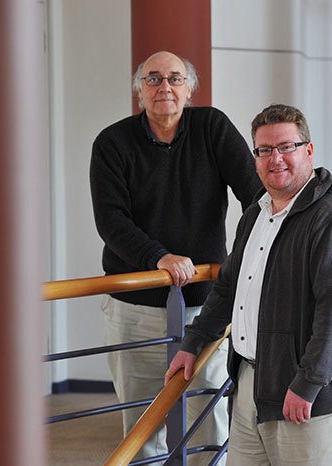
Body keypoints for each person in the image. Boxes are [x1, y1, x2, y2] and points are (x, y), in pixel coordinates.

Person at [166, 103, 332, 465]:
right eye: (263, 150)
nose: (275, 158)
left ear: (308, 150)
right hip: (250, 386)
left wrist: (308, 384)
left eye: (286, 147)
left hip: (306, 395)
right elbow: (228, 289)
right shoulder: (256, 215)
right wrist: (194, 341)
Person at [90, 50, 262, 464]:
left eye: (174, 78)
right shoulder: (112, 143)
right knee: (141, 423)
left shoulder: (212, 127)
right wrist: (158, 256)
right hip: (133, 309)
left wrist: (246, 257)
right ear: (139, 91)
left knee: (210, 417)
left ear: (189, 90)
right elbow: (111, 221)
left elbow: (255, 196)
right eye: (152, 79)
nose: (163, 87)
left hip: (206, 307)